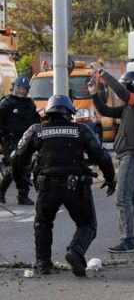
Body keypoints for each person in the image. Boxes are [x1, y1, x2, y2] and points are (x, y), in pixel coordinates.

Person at [12, 95, 116, 276]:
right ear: (69, 113)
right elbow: (104, 157)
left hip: (46, 186)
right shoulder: (81, 130)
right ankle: (75, 251)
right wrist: (110, 179)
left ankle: (43, 264)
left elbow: (17, 157)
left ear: (48, 113)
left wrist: (20, 182)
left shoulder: (36, 130)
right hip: (75, 186)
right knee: (87, 225)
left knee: (43, 224)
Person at [88, 67, 134, 253]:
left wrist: (102, 73)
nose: (121, 93)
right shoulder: (130, 107)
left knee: (123, 198)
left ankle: (127, 240)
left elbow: (121, 91)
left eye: (125, 86)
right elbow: (104, 110)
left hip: (133, 156)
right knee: (132, 198)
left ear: (131, 87)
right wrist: (94, 93)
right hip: (131, 155)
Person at [0, 76, 39, 205]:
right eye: (20, 88)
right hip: (10, 139)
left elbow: (36, 122)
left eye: (24, 89)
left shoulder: (30, 103)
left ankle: (23, 196)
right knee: (13, 167)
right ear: (15, 87)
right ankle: (1, 192)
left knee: (26, 168)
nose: (22, 91)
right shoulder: (6, 102)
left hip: (26, 140)